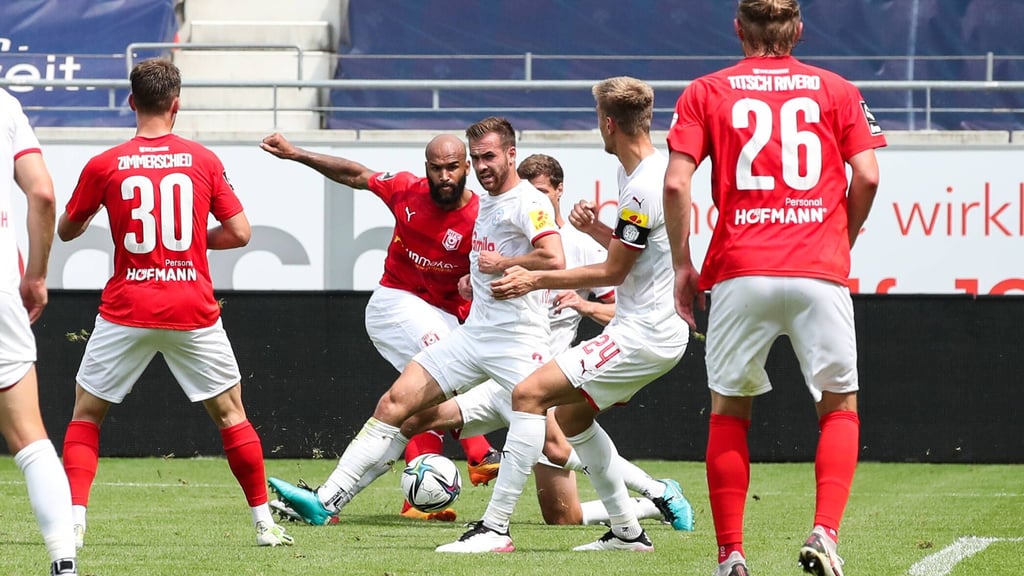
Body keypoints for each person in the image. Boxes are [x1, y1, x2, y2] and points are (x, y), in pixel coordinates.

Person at [662, 2, 886, 575]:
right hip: (818, 267)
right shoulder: (837, 89)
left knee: (729, 412)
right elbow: (867, 174)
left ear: (738, 29)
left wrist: (683, 265)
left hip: (740, 269)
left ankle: (731, 556)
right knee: (839, 407)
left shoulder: (705, 90)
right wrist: (842, 235)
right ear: (799, 31)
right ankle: (824, 533)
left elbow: (675, 182)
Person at [268, 116, 565, 527]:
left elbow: (552, 257)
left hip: (508, 340)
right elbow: (357, 174)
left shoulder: (518, 203)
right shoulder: (435, 194)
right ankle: (327, 501)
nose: (463, 171)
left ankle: (642, 499)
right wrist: (297, 153)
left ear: (507, 157)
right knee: (397, 404)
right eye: (473, 159)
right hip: (449, 325)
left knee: (557, 444)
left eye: (477, 160)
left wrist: (500, 268)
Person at [438, 76, 689, 553]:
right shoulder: (644, 174)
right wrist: (598, 229)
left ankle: (494, 528)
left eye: (598, 119)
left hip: (642, 333)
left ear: (608, 123)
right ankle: (627, 531)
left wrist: (535, 278)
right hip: (653, 328)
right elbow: (638, 256)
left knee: (528, 394)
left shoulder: (639, 189)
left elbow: (615, 272)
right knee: (572, 419)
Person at [58, 58, 293, 549]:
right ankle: (264, 525)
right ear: (176, 104)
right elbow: (241, 232)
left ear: (131, 102)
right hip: (191, 307)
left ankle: (74, 522)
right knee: (232, 415)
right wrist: (188, 242)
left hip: (128, 307)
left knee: (85, 415)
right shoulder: (202, 160)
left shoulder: (104, 165)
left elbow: (67, 229)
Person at [397, 153, 693, 530]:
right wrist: (474, 287)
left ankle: (655, 494)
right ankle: (357, 494)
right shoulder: (509, 241)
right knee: (415, 419)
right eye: (528, 192)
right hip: (502, 375)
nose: (535, 201)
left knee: (559, 480)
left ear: (559, 191)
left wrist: (584, 306)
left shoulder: (580, 247)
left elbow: (620, 311)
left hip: (546, 379)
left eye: (542, 192)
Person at [0, 89, 78, 576]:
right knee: (30, 436)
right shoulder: (4, 104)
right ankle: (63, 560)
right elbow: (44, 194)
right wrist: (37, 275)